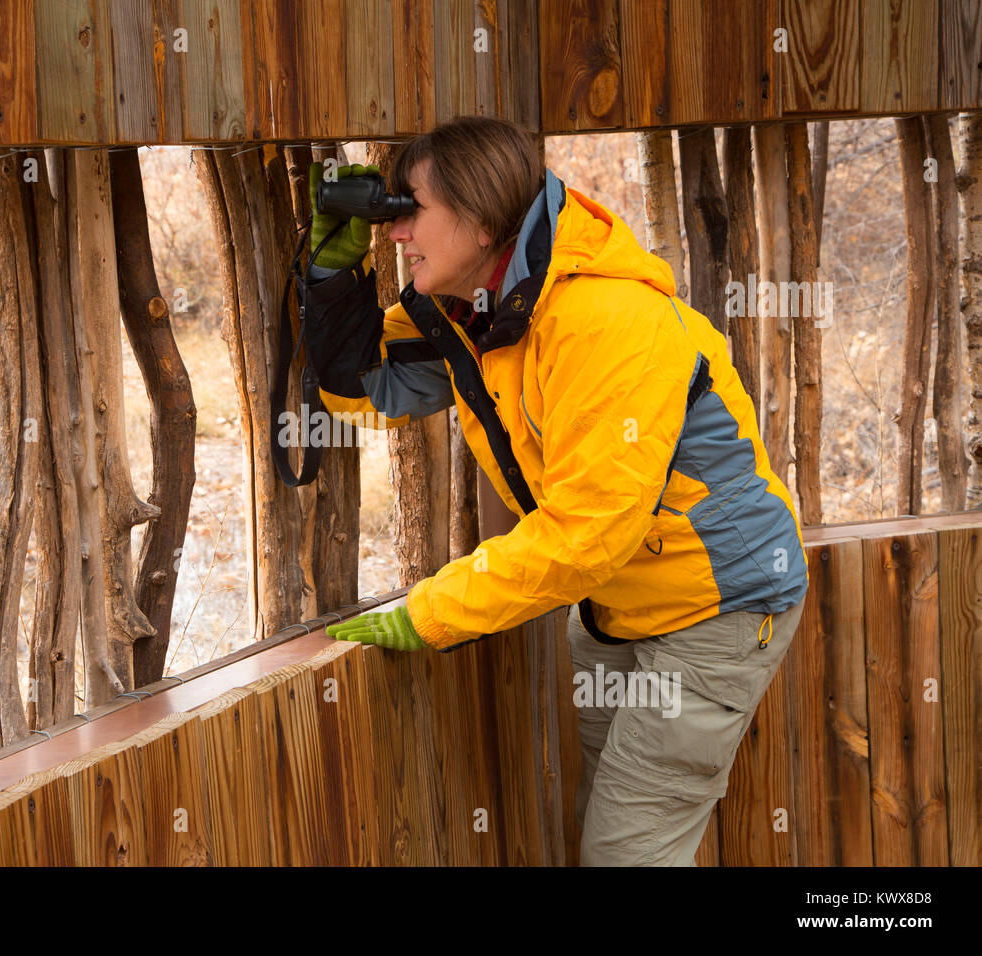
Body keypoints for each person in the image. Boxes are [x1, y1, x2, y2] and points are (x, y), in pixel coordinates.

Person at [306, 115, 809, 865]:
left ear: (479, 222)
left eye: (411, 210)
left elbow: (586, 532)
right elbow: (361, 386)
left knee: (624, 854)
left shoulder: (603, 321)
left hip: (717, 607)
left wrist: (430, 612)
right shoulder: (480, 314)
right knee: (611, 831)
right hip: (615, 603)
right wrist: (331, 271)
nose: (397, 232)